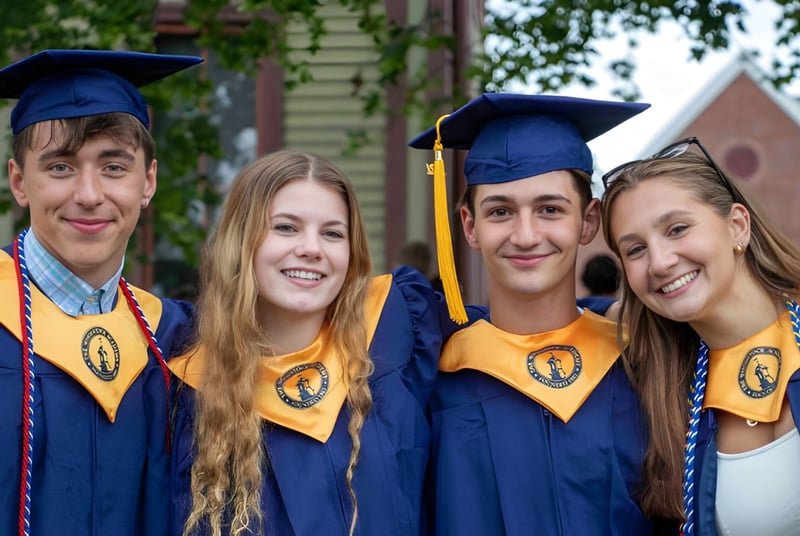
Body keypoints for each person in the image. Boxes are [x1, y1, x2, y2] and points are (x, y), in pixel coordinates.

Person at [408, 93, 671, 534]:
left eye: (550, 209)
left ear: (589, 221)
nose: (526, 235)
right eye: (500, 212)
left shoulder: (649, 364)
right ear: (469, 226)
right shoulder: (432, 377)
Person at [168, 150, 467, 535]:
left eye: (332, 233)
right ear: (241, 242)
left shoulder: (397, 331)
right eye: (286, 228)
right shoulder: (187, 384)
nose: (312, 248)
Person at [0, 49, 202, 535]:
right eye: (60, 168)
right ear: (19, 181)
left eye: (114, 167)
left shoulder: (178, 339)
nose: (89, 194)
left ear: (148, 181)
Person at [601, 137, 800, 535]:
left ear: (737, 225)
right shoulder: (665, 391)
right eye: (636, 249)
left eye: (677, 229)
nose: (659, 262)